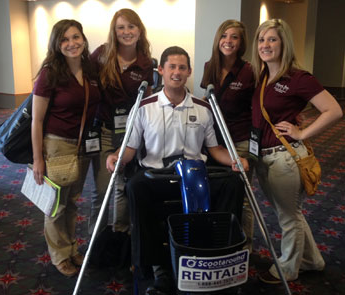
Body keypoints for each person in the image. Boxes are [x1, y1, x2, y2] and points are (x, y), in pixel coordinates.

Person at [106, 46, 248, 294]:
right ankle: (155, 266)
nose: (177, 72)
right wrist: (116, 157)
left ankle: (218, 253)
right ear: (160, 70)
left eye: (182, 67)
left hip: (195, 176)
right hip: (157, 176)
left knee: (232, 183)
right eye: (171, 66)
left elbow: (214, 149)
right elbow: (130, 148)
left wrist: (236, 159)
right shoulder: (144, 107)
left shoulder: (202, 108)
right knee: (135, 187)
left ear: (189, 71)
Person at [250, 19, 343, 284]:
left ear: (284, 43)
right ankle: (313, 260)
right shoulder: (264, 75)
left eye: (272, 39)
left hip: (284, 157)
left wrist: (302, 132)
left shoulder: (298, 78)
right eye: (261, 40)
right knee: (290, 213)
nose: (265, 45)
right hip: (264, 156)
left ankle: (288, 268)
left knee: (289, 217)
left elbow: (334, 110)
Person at [31, 19, 101, 277]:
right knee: (57, 204)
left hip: (83, 146)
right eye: (64, 40)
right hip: (58, 145)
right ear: (57, 45)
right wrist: (38, 159)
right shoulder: (50, 73)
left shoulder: (90, 68)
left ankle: (71, 248)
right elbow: (37, 121)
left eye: (75, 37)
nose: (71, 43)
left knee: (72, 201)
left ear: (83, 39)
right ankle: (59, 254)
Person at [89, 8, 153, 235]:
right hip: (105, 130)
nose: (126, 32)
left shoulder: (146, 63)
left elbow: (146, 100)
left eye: (131, 26)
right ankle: (97, 239)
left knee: (125, 187)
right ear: (114, 32)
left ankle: (121, 236)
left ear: (139, 30)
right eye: (121, 27)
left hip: (131, 133)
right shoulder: (101, 55)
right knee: (102, 188)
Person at [200, 19, 255, 252]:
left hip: (239, 141)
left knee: (243, 196)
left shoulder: (249, 70)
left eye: (234, 37)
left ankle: (245, 247)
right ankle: (219, 241)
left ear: (241, 43)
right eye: (225, 36)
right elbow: (208, 100)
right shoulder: (209, 66)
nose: (228, 41)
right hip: (214, 142)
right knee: (217, 192)